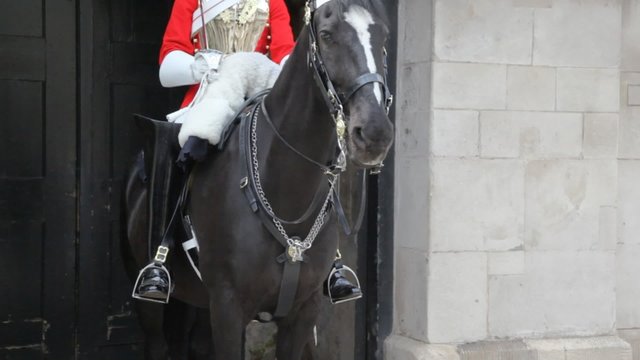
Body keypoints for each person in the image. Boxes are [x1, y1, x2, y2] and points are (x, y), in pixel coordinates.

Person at [133, 0, 362, 305]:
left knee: (314, 155)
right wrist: (199, 65)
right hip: (209, 95)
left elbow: (285, 58)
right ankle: (160, 258)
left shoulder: (273, 3)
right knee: (172, 149)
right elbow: (168, 63)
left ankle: (332, 262)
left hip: (261, 98)